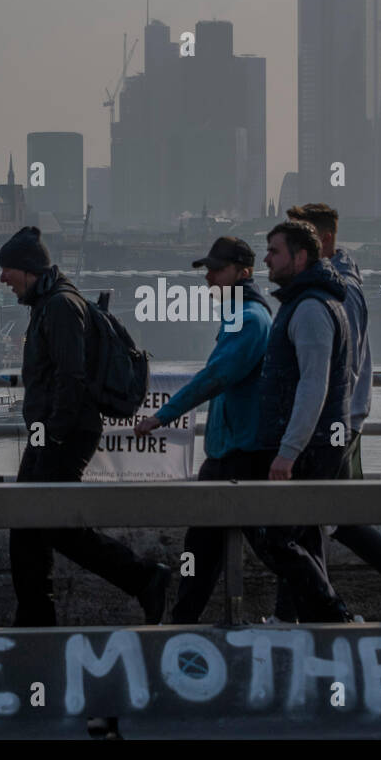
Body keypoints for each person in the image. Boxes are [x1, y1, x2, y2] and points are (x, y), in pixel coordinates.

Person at [279, 203, 381, 622]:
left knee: (311, 519)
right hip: (338, 420)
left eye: (304, 237)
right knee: (324, 517)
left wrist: (332, 422)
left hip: (336, 422)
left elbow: (340, 363)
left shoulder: (340, 289)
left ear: (325, 240)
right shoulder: (336, 282)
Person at [0, 226, 172, 627]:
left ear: (27, 268)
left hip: (65, 433)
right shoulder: (49, 302)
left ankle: (143, 577)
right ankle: (36, 619)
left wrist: (54, 434)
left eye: (7, 269)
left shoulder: (60, 306)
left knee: (53, 523)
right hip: (56, 432)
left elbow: (70, 377)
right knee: (28, 526)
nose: (2, 278)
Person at [133, 237, 276, 623]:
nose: (209, 277)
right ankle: (183, 620)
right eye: (207, 270)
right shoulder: (238, 314)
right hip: (229, 450)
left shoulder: (249, 318)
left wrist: (163, 414)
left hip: (241, 455)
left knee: (272, 547)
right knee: (206, 547)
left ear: (244, 272)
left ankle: (320, 608)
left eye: (217, 270)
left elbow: (216, 376)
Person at [247, 220, 355, 623]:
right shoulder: (310, 302)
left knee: (276, 539)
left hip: (309, 448)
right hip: (317, 442)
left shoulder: (310, 308)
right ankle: (300, 623)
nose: (267, 259)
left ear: (301, 256)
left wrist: (288, 452)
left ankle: (334, 617)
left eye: (274, 251)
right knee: (305, 539)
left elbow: (314, 385)